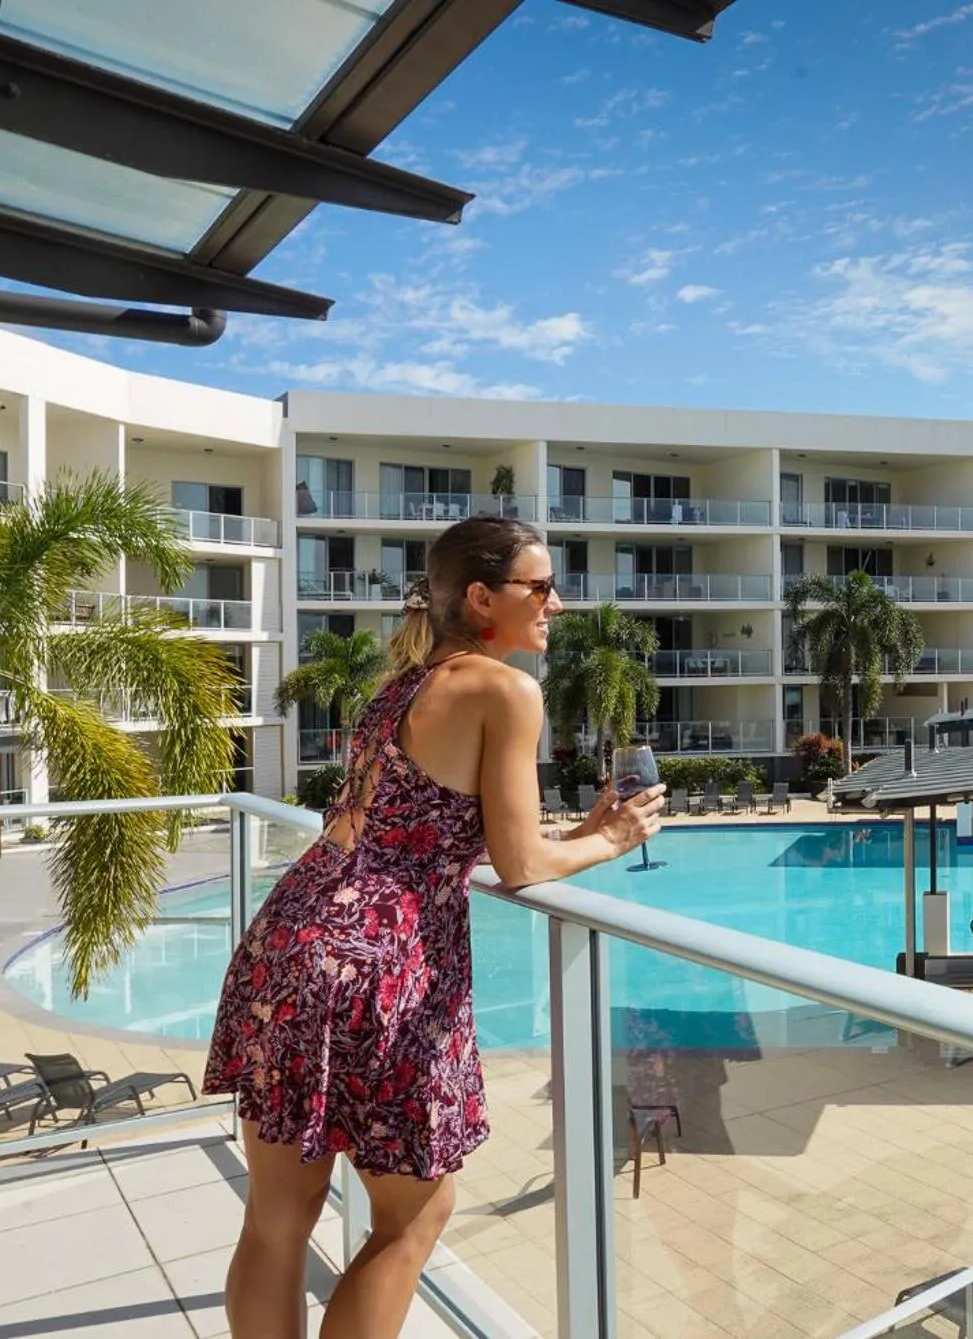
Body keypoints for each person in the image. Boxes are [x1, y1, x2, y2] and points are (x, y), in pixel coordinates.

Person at [203, 515, 665, 1339]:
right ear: (483, 597)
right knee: (414, 1214)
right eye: (540, 586)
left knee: (276, 1220)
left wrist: (575, 835)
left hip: (292, 937)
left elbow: (424, 827)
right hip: (378, 961)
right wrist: (613, 839)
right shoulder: (504, 689)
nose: (556, 602)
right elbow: (518, 865)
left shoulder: (403, 684)